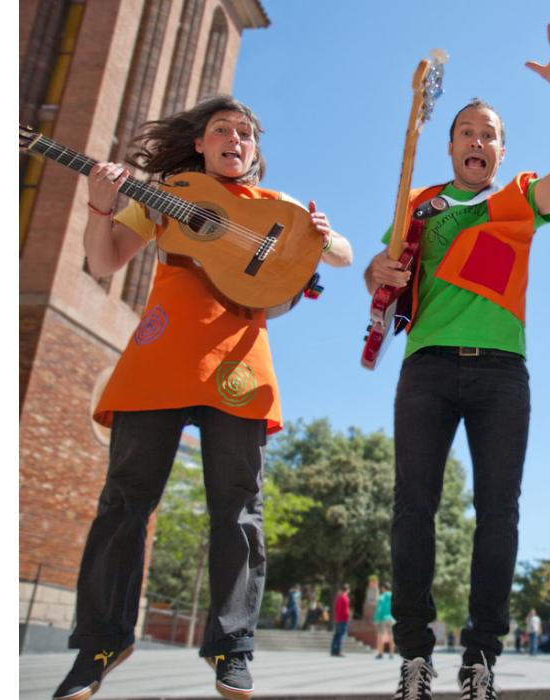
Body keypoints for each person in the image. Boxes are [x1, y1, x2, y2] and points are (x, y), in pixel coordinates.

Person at [51, 95, 353, 700]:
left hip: (238, 366)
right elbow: (104, 261)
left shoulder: (276, 206)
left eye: (245, 134)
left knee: (238, 510)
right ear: (201, 144)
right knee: (123, 503)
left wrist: (323, 236)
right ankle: (99, 644)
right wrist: (99, 205)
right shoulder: (169, 195)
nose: (235, 140)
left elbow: (342, 255)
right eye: (222, 130)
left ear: (254, 150)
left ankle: (233, 649)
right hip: (160, 359)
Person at [363, 18, 550, 700]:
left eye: (489, 133)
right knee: (413, 511)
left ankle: (482, 656)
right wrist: (379, 267)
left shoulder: (518, 198)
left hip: (501, 373)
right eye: (466, 131)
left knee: (500, 513)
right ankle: (414, 655)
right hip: (426, 367)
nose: (477, 141)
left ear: (500, 150)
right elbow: (382, 275)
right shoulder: (419, 203)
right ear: (450, 143)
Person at [375, 582, 396, 660]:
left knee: (380, 635)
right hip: (391, 618)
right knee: (391, 636)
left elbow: (379, 609)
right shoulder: (393, 596)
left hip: (383, 618)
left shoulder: (382, 597)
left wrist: (376, 619)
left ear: (383, 588)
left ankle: (380, 653)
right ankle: (391, 654)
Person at [331, 585, 352, 657]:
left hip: (338, 619)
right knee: (342, 635)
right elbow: (346, 610)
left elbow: (336, 608)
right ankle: (339, 651)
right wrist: (348, 617)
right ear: (347, 590)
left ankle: (333, 650)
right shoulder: (346, 598)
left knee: (336, 635)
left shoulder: (338, 597)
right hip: (344, 619)